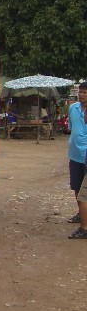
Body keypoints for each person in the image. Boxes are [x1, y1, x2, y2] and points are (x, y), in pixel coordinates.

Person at [67, 82, 87, 224]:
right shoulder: (73, 108)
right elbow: (71, 128)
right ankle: (81, 213)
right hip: (74, 155)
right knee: (76, 187)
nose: (81, 94)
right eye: (81, 92)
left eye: (85, 92)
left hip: (86, 156)